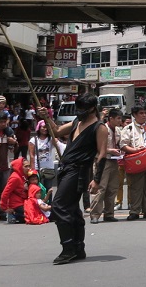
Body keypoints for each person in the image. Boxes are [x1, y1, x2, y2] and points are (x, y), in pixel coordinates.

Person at [50, 94, 104, 264]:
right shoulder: (76, 122)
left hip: (79, 170)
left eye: (83, 109)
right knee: (72, 208)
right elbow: (57, 131)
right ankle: (78, 247)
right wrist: (46, 116)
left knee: (59, 206)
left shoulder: (99, 127)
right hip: (66, 168)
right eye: (78, 109)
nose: (79, 112)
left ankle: (68, 248)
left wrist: (96, 180)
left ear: (92, 108)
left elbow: (102, 154)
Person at [120, 103, 146, 220]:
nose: (144, 115)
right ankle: (134, 211)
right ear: (134, 115)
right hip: (136, 161)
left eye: (145, 113)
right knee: (135, 186)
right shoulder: (128, 129)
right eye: (141, 113)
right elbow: (123, 145)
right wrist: (134, 150)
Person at [88, 109, 123, 223]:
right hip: (102, 160)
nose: (119, 121)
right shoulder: (102, 128)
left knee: (112, 188)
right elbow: (96, 147)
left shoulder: (118, 130)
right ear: (111, 118)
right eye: (117, 118)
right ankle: (95, 214)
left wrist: (119, 152)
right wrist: (110, 150)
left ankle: (109, 213)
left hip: (114, 161)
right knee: (100, 187)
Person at [0, 157, 29, 224]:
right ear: (20, 167)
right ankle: (13, 214)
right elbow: (5, 193)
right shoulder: (15, 177)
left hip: (23, 202)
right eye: (26, 166)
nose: (28, 168)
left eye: (28, 166)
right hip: (16, 204)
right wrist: (5, 208)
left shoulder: (24, 176)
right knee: (29, 216)